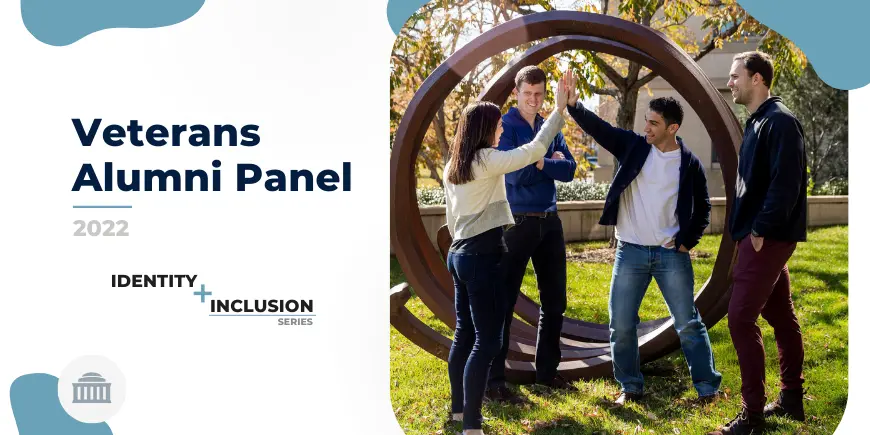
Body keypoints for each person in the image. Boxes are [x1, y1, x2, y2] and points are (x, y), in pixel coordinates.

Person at [565, 89, 722, 405]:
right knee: (621, 324)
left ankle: (708, 389)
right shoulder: (634, 147)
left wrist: (687, 240)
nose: (646, 128)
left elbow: (703, 206)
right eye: (646, 121)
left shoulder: (689, 163)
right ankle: (630, 387)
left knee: (688, 323)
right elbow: (602, 129)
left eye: (653, 123)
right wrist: (574, 106)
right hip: (631, 251)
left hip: (669, 255)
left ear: (672, 127)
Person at [443, 71, 570, 435]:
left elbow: (451, 218)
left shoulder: (455, 164)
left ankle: (457, 410)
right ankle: (471, 424)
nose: (502, 133)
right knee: (488, 339)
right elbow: (532, 152)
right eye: (497, 127)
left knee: (464, 334)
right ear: (484, 129)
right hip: (480, 254)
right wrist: (559, 111)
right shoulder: (486, 160)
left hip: (459, 252)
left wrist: (462, 245)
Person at [709, 51, 808, 435]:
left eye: (735, 76)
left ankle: (751, 417)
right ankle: (791, 400)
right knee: (781, 316)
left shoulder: (780, 123)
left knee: (739, 317)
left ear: (758, 79)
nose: (730, 82)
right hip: (758, 234)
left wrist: (760, 229)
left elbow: (787, 184)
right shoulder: (758, 122)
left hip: (767, 236)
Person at [486, 66, 578, 403]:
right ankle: (494, 380)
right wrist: (544, 161)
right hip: (517, 223)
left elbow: (569, 170)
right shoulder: (505, 127)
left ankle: (546, 373)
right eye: (528, 94)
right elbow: (513, 177)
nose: (534, 100)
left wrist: (539, 163)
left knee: (555, 301)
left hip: (550, 222)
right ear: (517, 93)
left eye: (539, 95)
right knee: (504, 302)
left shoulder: (547, 125)